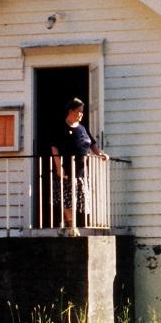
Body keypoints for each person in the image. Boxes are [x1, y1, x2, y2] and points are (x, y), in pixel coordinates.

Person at [50, 97, 107, 236]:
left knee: (78, 199)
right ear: (71, 111)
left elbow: (92, 143)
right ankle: (71, 226)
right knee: (67, 198)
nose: (81, 114)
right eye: (79, 112)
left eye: (82, 112)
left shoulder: (83, 128)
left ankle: (67, 224)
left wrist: (100, 154)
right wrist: (59, 167)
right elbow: (54, 148)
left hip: (81, 170)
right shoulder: (61, 127)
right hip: (67, 169)